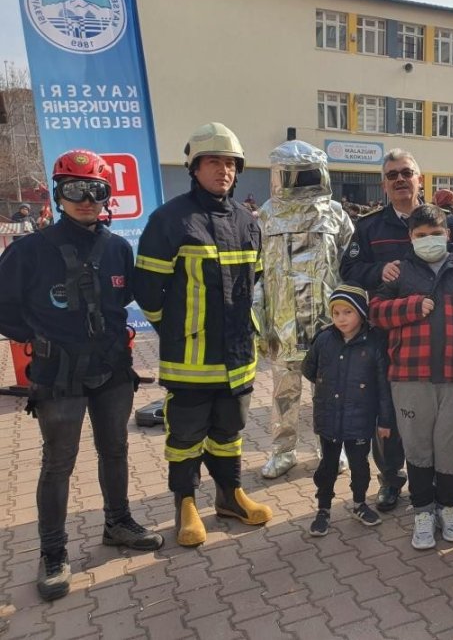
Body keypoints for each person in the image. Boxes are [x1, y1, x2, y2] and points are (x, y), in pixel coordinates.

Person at [0, 150, 163, 601]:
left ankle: (118, 523)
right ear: (58, 193)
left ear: (107, 196)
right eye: (75, 190)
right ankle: (53, 553)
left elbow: (129, 296)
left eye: (95, 191)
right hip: (59, 376)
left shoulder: (116, 248)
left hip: (111, 370)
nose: (86, 200)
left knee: (115, 449)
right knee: (58, 464)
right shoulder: (29, 251)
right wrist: (40, 338)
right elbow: (4, 308)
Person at [134, 122, 272, 548]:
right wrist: (175, 330)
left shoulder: (249, 223)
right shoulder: (170, 220)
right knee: (185, 436)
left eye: (231, 163)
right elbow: (146, 291)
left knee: (230, 431)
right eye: (214, 162)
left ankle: (230, 497)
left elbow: (257, 284)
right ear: (194, 167)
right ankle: (186, 504)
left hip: (237, 356)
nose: (224, 171)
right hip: (191, 358)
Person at [340, 149, 453, 511]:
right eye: (392, 175)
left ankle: (432, 477)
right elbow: (350, 271)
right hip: (386, 332)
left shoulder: (448, 222)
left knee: (434, 411)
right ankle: (390, 478)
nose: (400, 179)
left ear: (420, 179)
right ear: (384, 184)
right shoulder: (369, 226)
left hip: (438, 338)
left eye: (406, 173)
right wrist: (377, 272)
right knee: (385, 409)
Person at [369, 204, 453, 550]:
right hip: (410, 377)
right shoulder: (400, 273)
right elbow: (376, 312)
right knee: (419, 448)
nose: (428, 240)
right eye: (420, 235)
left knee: (452, 448)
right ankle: (423, 511)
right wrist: (410, 307)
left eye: (435, 234)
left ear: (448, 234)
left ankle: (448, 508)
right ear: (410, 238)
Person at [255, 140, 355, 479]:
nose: (300, 181)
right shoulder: (267, 214)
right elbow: (256, 274)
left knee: (329, 392)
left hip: (328, 322)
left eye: (306, 173)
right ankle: (283, 452)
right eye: (292, 175)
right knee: (285, 394)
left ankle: (333, 448)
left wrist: (351, 320)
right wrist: (259, 322)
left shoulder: (335, 213)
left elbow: (350, 268)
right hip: (283, 323)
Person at [302, 284, 394, 536]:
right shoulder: (323, 340)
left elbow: (383, 387)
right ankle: (323, 508)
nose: (341, 319)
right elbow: (308, 369)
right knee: (327, 465)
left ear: (362, 314)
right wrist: (327, 385)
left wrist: (385, 421)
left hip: (360, 419)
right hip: (329, 415)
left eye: (348, 312)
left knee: (359, 464)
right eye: (336, 313)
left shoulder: (375, 343)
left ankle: (359, 503)